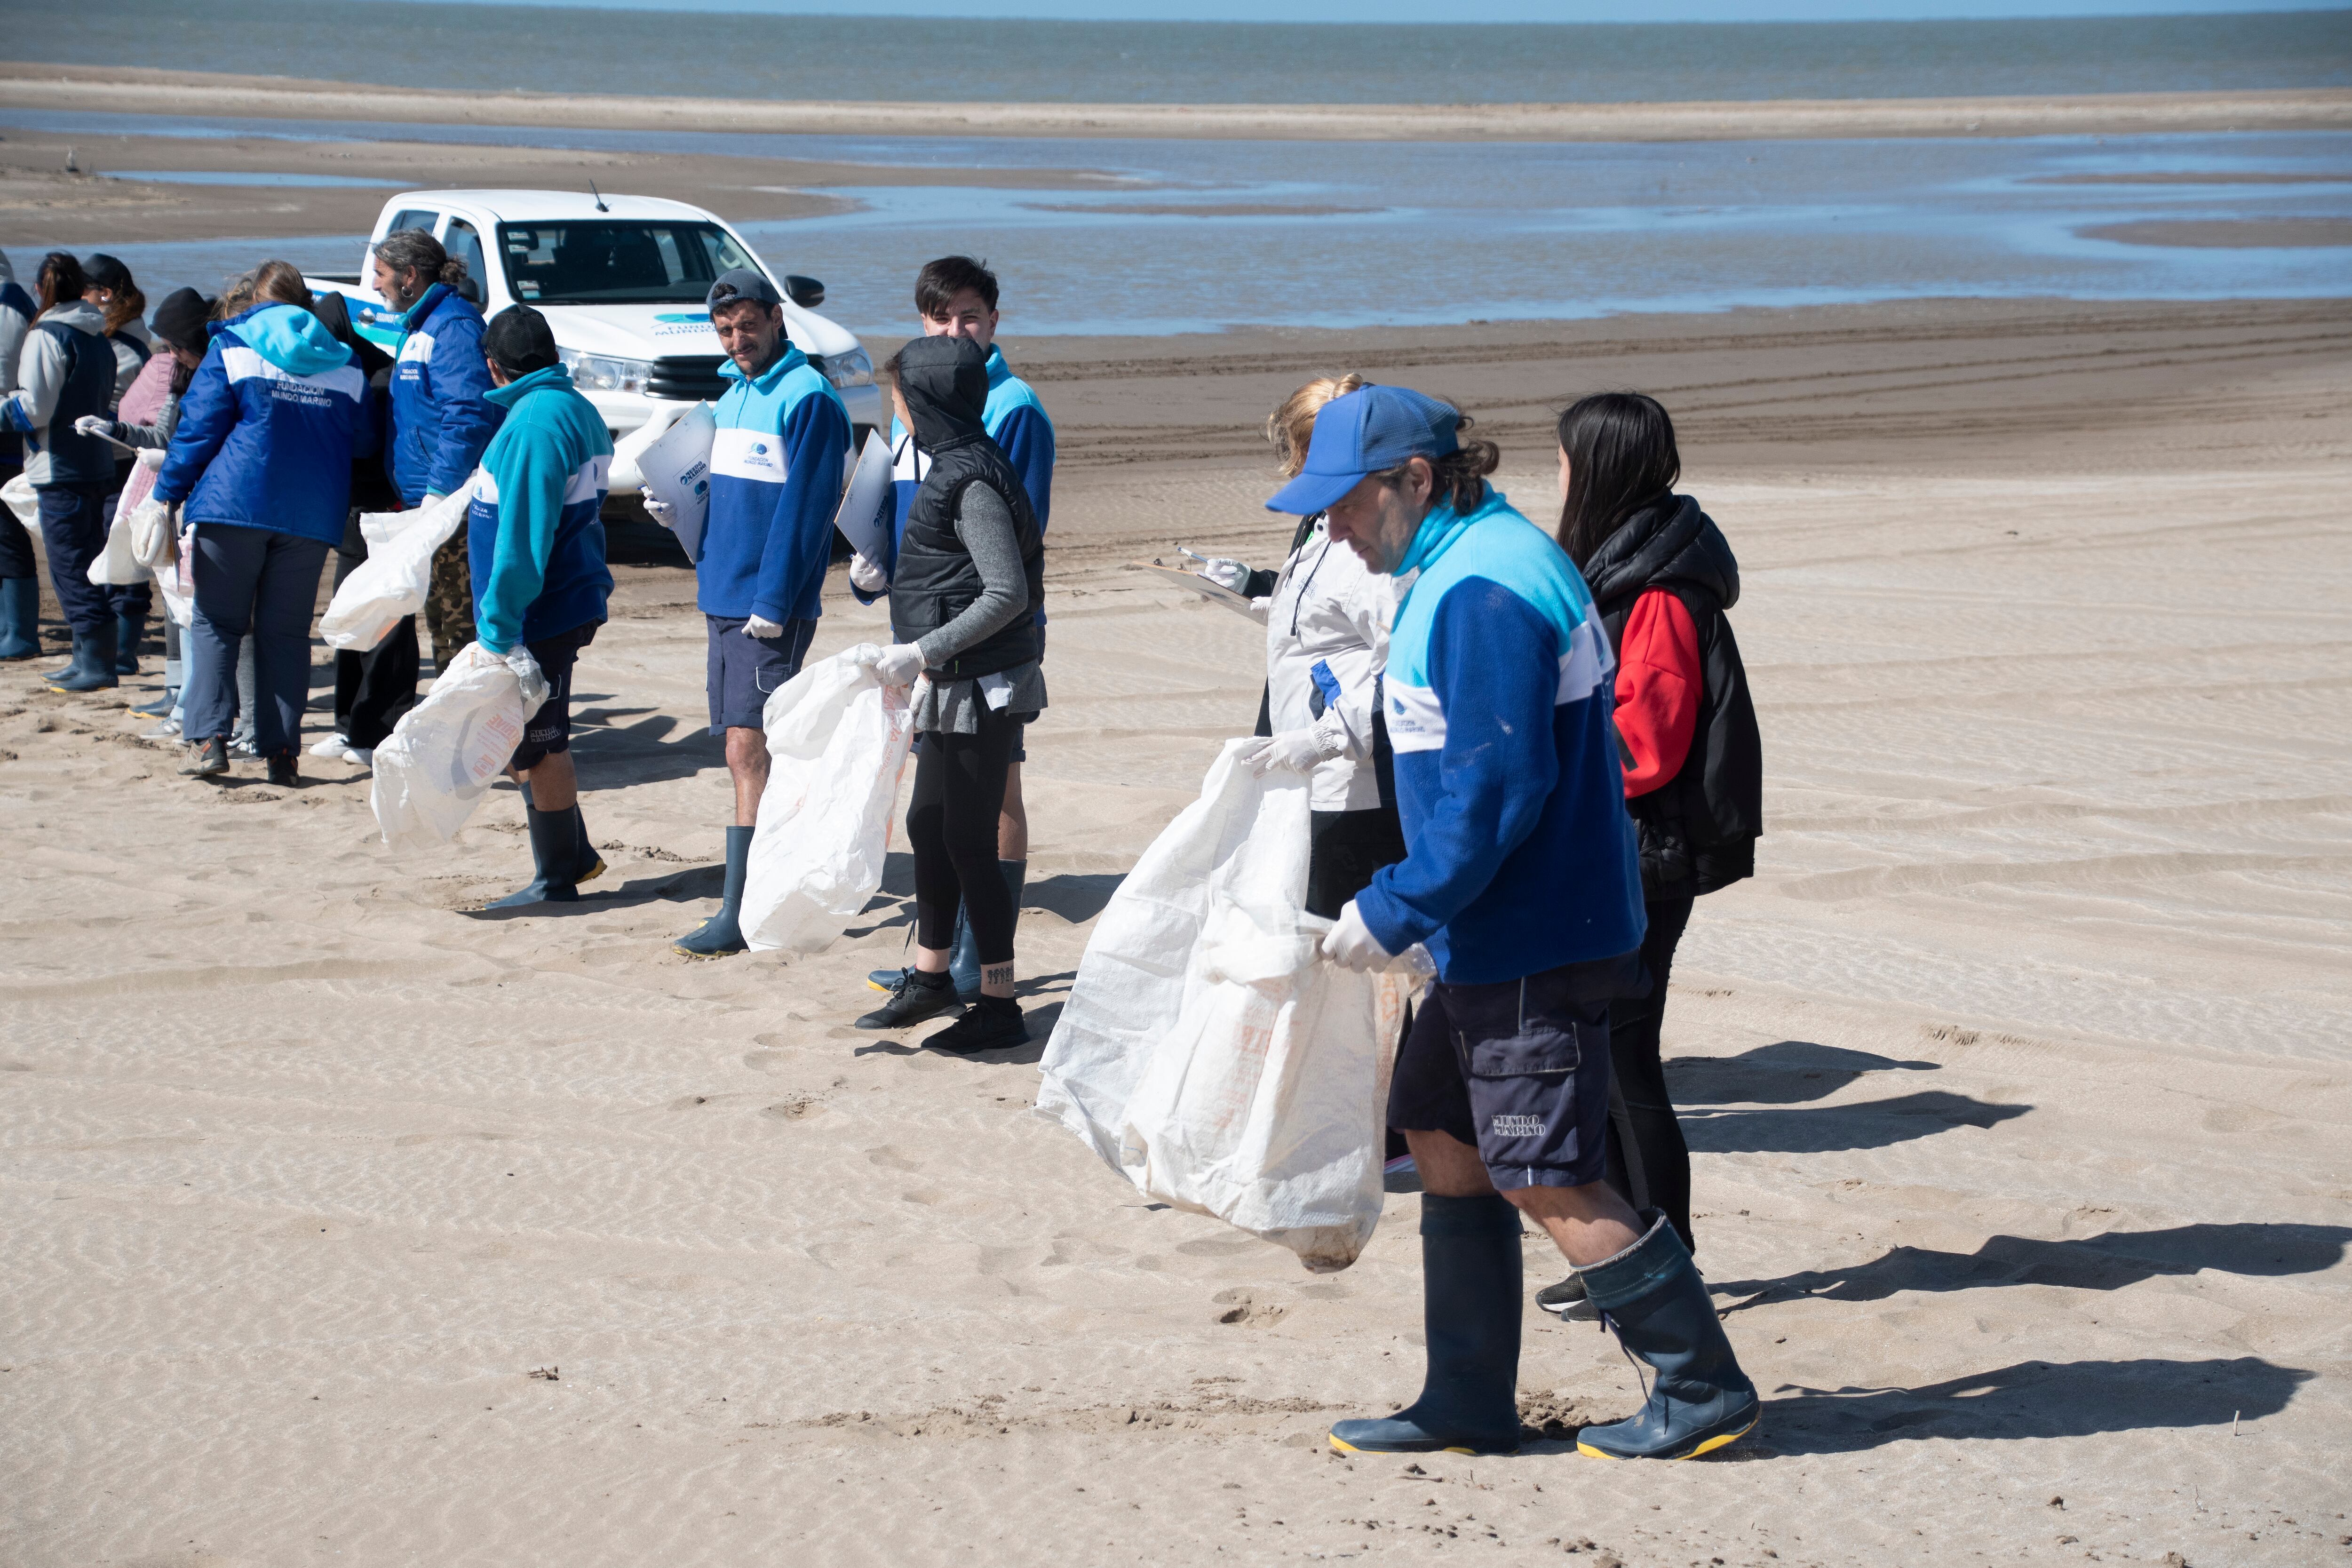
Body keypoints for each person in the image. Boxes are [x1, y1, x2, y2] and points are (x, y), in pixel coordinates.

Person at [1276, 384, 1757, 1463]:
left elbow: (1499, 790)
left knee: (1543, 1166)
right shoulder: (1464, 560)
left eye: (1344, 505)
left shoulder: (1485, 587)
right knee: (1439, 1127)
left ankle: (1701, 1385)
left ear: (1413, 481)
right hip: (1491, 934)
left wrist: (1396, 906)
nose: (1332, 530)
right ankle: (1467, 1396)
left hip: (1535, 933)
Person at [1532, 392, 1762, 1324]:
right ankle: (1626, 1254)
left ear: (1597, 466)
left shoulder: (1657, 588)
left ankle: (1661, 1259)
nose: (1554, 476)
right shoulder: (1627, 565)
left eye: (1561, 460)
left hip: (1644, 854)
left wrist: (1544, 764)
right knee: (1605, 1054)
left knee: (1626, 1056)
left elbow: (1647, 748)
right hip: (1619, 847)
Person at [859, 256, 1055, 1002]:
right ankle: (935, 971)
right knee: (932, 821)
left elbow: (1005, 576)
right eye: (942, 317)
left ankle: (991, 985)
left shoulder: (988, 448)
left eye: (969, 315)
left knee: (977, 825)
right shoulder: (943, 446)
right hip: (941, 660)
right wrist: (879, 573)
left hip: (982, 667)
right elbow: (923, 537)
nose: (957, 329)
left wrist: (923, 646)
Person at [650, 269, 851, 957]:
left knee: (749, 747)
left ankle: (740, 910)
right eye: (725, 330)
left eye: (748, 326)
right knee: (742, 749)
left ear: (777, 319)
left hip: (767, 605)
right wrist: (678, 511)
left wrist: (774, 601)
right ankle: (758, 889)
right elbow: (722, 497)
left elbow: (807, 512)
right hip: (720, 594)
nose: (738, 339)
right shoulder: (731, 396)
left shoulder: (809, 398)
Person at [150, 265, 375, 783]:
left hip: (234, 506)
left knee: (217, 622)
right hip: (310, 516)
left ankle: (210, 738)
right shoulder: (345, 364)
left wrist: (168, 493)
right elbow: (361, 441)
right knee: (286, 634)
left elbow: (198, 428)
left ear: (253, 301)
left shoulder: (232, 347)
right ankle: (281, 753)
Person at [462, 305, 614, 907]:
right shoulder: (574, 406)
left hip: (539, 611)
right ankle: (573, 854)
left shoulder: (532, 424)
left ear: (493, 366)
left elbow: (523, 539)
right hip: (561, 600)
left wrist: (498, 630)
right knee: (521, 739)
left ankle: (556, 881)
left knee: (539, 743)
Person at [78, 287, 212, 731]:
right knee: (174, 604)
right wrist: (113, 428)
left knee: (192, 607)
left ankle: (189, 703)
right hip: (173, 499)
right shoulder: (181, 373)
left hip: (200, 501)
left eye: (176, 345)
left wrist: (171, 460)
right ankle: (176, 693)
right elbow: (162, 436)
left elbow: (202, 445)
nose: (170, 354)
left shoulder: (217, 374)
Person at [374, 228, 501, 669]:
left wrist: (440, 491)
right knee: (441, 626)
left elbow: (467, 414)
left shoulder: (452, 326)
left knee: (460, 629)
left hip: (453, 507)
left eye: (381, 274)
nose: (375, 285)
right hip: (426, 503)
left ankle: (472, 731)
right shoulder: (419, 326)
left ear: (409, 275)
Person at [306, 281, 415, 763]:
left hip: (389, 510)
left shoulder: (378, 377)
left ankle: (381, 730)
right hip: (354, 509)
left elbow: (372, 447)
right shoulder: (341, 370)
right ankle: (350, 724)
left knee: (389, 619)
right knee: (349, 613)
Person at [2, 253, 121, 692]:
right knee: (85, 562)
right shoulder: (97, 335)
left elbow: (35, 407)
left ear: (41, 289)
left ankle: (96, 661)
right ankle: (88, 656)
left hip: (60, 467)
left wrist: (3, 407)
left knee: (70, 565)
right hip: (94, 463)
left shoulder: (48, 334)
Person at [83, 253, 155, 678]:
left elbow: (116, 407)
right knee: (110, 552)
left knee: (124, 554)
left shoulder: (127, 347)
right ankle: (117, 648)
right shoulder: (117, 336)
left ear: (105, 294)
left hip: (123, 463)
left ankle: (123, 652)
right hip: (110, 459)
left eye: (83, 292)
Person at [0, 250, 45, 661]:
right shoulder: (18, 302)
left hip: (7, 429)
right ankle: (12, 627)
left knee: (8, 533)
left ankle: (18, 632)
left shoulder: (6, 306)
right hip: (15, 428)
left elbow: (3, 370)